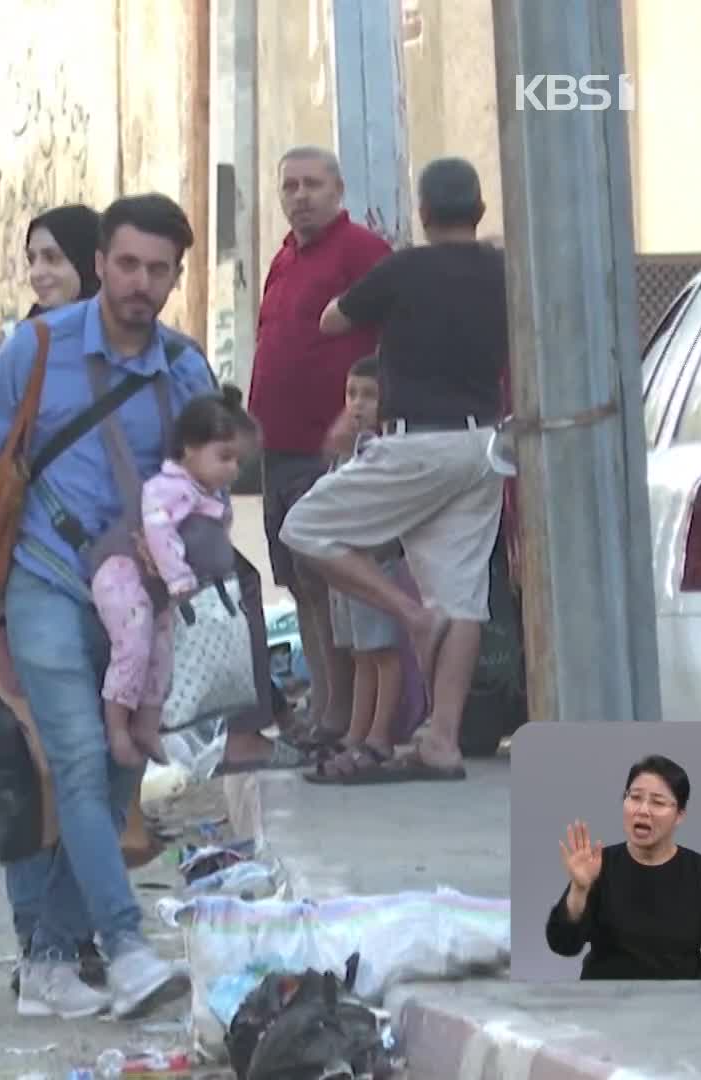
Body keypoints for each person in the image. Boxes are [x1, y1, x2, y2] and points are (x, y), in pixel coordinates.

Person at [0, 194, 216, 1021]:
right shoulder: (35, 350)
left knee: (118, 763)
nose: (140, 283)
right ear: (101, 262)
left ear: (176, 275)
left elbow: (210, 482)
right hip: (45, 582)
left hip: (139, 608)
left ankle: (50, 960)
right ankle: (127, 946)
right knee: (70, 758)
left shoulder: (185, 368)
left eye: (158, 270)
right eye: (127, 264)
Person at [280, 157, 509, 783]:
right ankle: (442, 740)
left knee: (305, 528)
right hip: (482, 447)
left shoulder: (406, 267)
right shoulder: (503, 272)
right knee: (462, 596)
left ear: (426, 214)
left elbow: (332, 320)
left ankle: (409, 616)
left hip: (414, 445)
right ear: (480, 211)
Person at [246, 147, 392, 757]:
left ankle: (343, 717)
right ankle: (327, 706)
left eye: (312, 184)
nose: (300, 195)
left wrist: (351, 417)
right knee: (300, 584)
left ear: (338, 189)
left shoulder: (361, 252)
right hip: (276, 450)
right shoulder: (283, 256)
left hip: (327, 449)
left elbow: (391, 337)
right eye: (290, 186)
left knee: (331, 582)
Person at [92, 391, 250, 769]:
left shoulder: (206, 494)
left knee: (162, 653)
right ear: (190, 449)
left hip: (158, 591)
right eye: (224, 458)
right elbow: (159, 531)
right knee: (134, 645)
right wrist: (180, 581)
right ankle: (116, 729)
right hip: (123, 575)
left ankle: (147, 725)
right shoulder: (168, 488)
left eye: (238, 461)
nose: (232, 470)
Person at [303, 356, 407, 781]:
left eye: (369, 395)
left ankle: (380, 735)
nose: (358, 404)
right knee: (361, 653)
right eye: (352, 394)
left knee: (382, 652)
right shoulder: (347, 452)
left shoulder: (382, 450)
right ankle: (356, 733)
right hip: (343, 567)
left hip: (371, 564)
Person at [546, 756, 701, 979]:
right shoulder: (600, 865)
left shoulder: (700, 871)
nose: (643, 810)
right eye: (635, 798)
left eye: (657, 802)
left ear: (679, 816)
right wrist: (579, 889)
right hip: (606, 1005)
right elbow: (563, 944)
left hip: (679, 1006)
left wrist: (692, 1004)